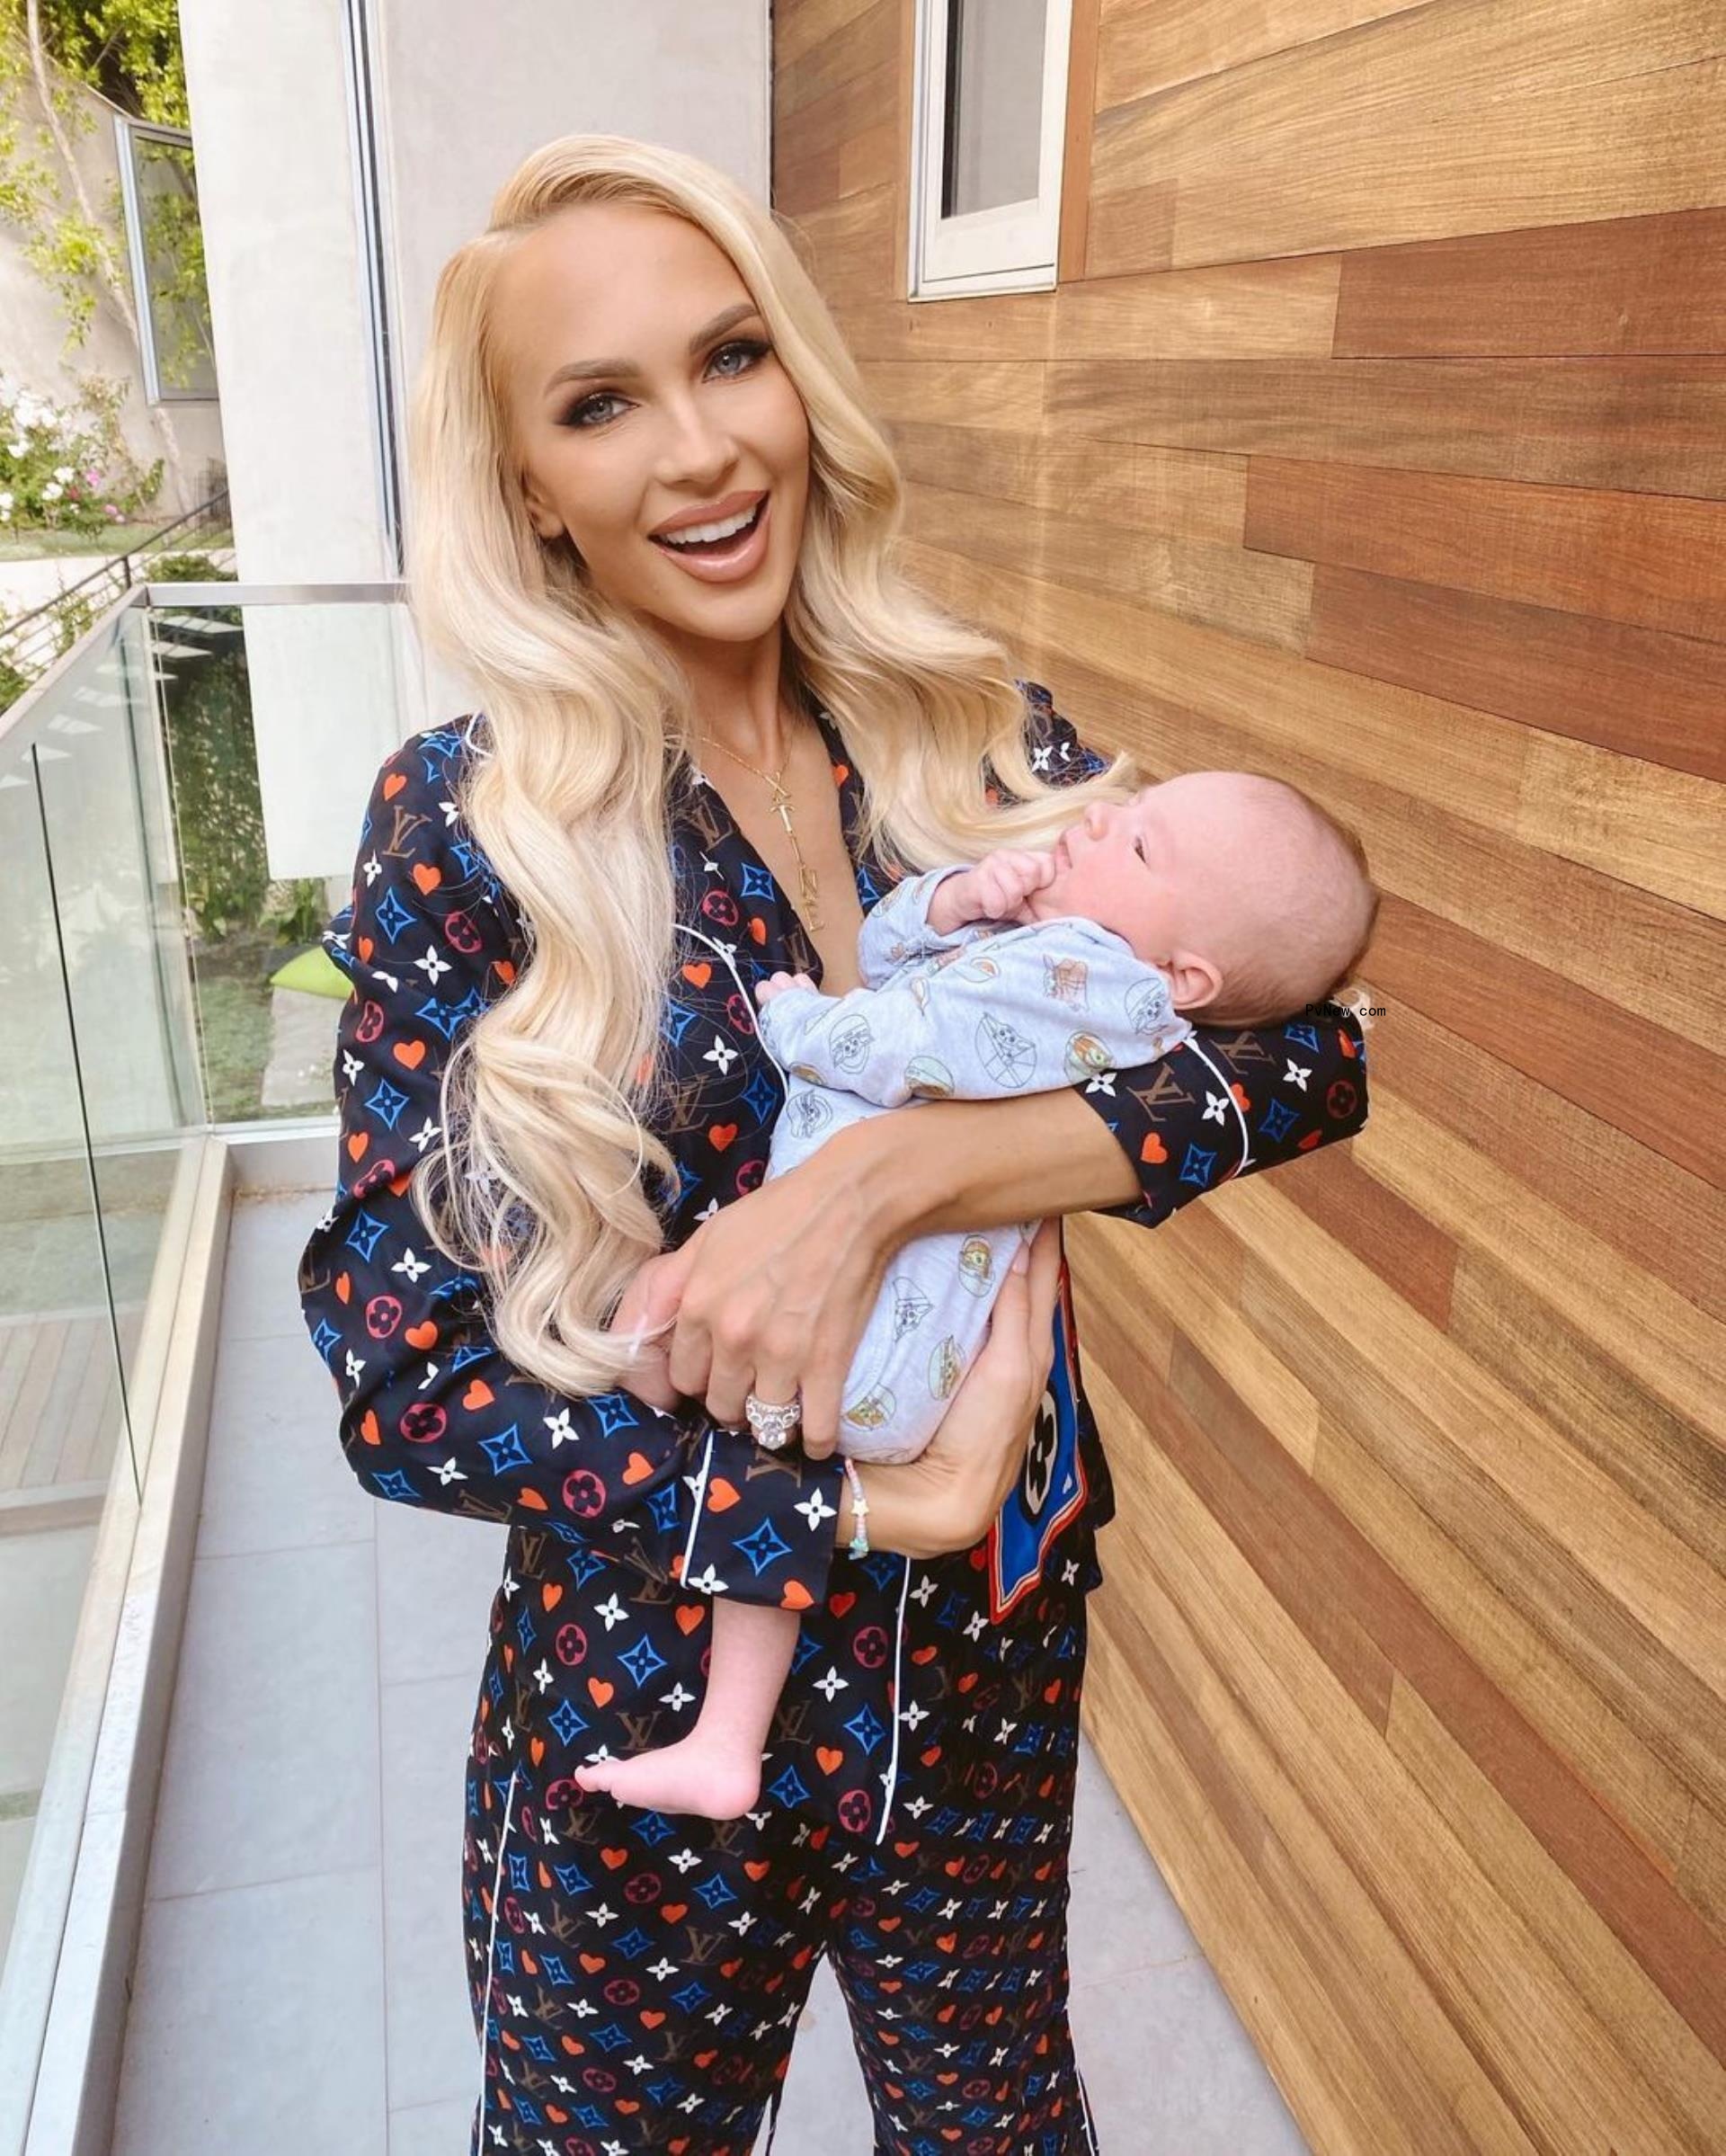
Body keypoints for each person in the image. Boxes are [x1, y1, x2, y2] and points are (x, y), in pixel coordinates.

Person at [296, 131, 1373, 2156]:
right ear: (528, 483)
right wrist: (864, 1514)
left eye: (732, 360)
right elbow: (399, 1366)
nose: (701, 452)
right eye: (603, 405)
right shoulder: (472, 818)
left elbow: (1308, 1050)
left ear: (801, 377)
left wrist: (891, 1179)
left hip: (992, 1642)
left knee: (1001, 2130)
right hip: (654, 1670)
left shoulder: (969, 730)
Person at [576, 774, 1378, 1819]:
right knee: (760, 1485)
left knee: (649, 1319)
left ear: (1185, 972)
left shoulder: (1084, 975)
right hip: (901, 1366)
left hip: (856, 1335)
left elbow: (902, 1043)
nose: (1097, 818)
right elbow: (904, 962)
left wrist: (800, 1022)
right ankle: (727, 1740)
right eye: (1125, 811)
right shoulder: (1080, 960)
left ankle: (643, 1436)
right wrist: (957, 899)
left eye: (1139, 846)